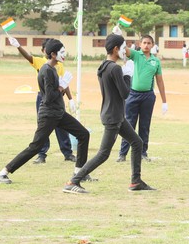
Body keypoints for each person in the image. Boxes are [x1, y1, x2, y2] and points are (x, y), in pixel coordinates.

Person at [63, 34, 154, 194]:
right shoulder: (115, 68)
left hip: (114, 113)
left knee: (137, 142)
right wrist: (128, 75)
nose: (126, 51)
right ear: (116, 49)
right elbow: (125, 93)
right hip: (113, 116)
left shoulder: (104, 66)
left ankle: (136, 181)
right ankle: (74, 181)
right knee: (103, 153)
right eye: (123, 47)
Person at [0, 40, 90, 184]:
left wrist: (65, 93)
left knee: (83, 134)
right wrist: (62, 86)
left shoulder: (53, 69)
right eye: (62, 52)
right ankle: (3, 173)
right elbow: (49, 97)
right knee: (35, 147)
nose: (65, 54)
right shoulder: (47, 70)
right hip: (49, 114)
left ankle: (79, 173)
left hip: (58, 113)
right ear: (53, 54)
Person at [8, 36, 77, 164]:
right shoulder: (41, 62)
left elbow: (64, 82)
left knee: (61, 127)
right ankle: (41, 154)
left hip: (58, 96)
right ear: (44, 50)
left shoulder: (59, 64)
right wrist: (18, 46)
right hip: (44, 96)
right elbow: (28, 57)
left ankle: (67, 153)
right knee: (43, 126)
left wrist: (70, 99)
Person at [117, 34, 168, 162]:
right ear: (140, 44)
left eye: (149, 43)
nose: (146, 45)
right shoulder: (136, 55)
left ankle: (143, 153)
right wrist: (119, 36)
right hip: (133, 95)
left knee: (145, 126)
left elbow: (160, 81)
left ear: (153, 45)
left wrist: (164, 101)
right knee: (129, 124)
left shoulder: (155, 61)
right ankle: (122, 154)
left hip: (148, 96)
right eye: (144, 43)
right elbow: (125, 50)